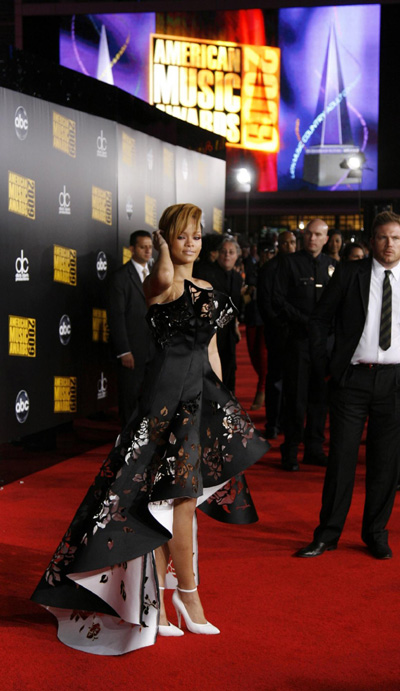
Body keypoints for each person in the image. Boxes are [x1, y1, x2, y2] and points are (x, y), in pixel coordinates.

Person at [31, 203, 269, 655]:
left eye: (197, 235)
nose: (190, 243)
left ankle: (181, 599)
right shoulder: (158, 282)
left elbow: (214, 352)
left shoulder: (208, 287)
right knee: (154, 503)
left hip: (198, 402)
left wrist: (222, 410)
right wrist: (162, 248)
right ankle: (168, 600)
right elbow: (160, 277)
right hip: (162, 402)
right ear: (165, 240)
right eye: (181, 236)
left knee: (180, 503)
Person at [295, 211, 400, 560]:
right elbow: (320, 320)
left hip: (394, 382)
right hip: (352, 380)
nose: (390, 244)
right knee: (340, 460)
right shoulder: (351, 272)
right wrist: (327, 367)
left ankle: (375, 533)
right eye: (383, 237)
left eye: (396, 238)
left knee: (385, 463)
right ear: (372, 241)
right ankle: (327, 534)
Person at [273, 219, 337, 470]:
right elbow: (278, 299)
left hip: (324, 345)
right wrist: (306, 322)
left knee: (320, 399)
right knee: (296, 398)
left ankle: (314, 448)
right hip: (298, 341)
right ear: (304, 236)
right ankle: (290, 451)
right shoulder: (288, 263)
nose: (313, 238)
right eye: (309, 234)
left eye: (318, 234)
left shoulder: (333, 266)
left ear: (326, 238)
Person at [107, 230, 154, 427]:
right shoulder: (120, 278)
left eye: (150, 247)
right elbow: (116, 317)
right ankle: (128, 441)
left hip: (154, 349)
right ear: (132, 249)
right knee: (129, 397)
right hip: (132, 350)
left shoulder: (157, 273)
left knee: (150, 397)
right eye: (143, 247)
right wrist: (124, 350)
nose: (148, 251)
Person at [257, 231, 297, 438]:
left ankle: (289, 422)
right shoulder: (269, 269)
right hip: (277, 333)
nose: (290, 246)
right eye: (285, 243)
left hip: (298, 334)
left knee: (295, 381)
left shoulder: (301, 267)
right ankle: (273, 424)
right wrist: (278, 324)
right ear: (279, 245)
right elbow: (264, 302)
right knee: (276, 380)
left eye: (292, 242)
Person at [193, 236, 243, 392]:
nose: (227, 255)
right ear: (217, 255)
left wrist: (235, 324)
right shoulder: (205, 273)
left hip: (228, 333)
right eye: (223, 252)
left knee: (229, 368)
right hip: (209, 332)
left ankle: (227, 407)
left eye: (231, 252)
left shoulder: (237, 277)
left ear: (237, 255)